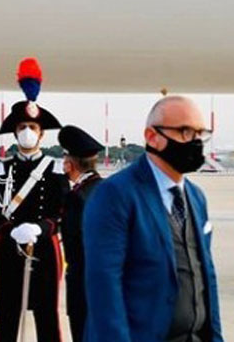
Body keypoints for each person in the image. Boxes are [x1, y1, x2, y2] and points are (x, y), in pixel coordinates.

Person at [83, 96, 224, 342]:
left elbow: (206, 277)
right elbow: (104, 285)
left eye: (200, 134)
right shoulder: (115, 194)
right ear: (152, 136)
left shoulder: (196, 197)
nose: (195, 142)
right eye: (185, 131)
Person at [0, 58, 67, 342]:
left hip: (44, 248)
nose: (27, 131)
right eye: (22, 126)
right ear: (15, 131)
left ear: (41, 132)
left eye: (32, 126)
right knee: (6, 316)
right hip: (10, 248)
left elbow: (60, 212)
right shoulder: (0, 168)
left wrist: (40, 229)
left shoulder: (55, 168)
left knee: (47, 317)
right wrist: (11, 231)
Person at [58, 125, 104, 342]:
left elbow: (75, 247)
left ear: (70, 164)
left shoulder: (76, 197)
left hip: (84, 284)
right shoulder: (107, 188)